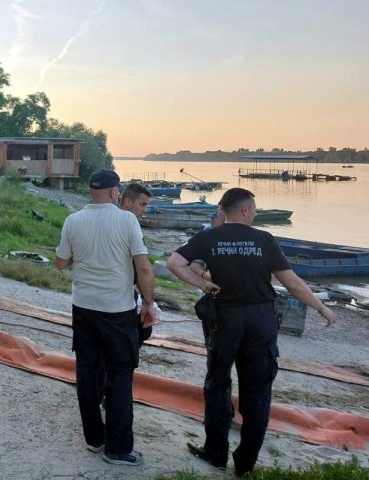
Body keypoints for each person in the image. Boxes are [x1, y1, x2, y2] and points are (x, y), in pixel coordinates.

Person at [166, 187, 336, 476]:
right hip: (260, 320)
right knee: (257, 391)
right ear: (245, 209)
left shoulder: (209, 237)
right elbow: (292, 282)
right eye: (254, 209)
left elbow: (174, 263)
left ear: (225, 210)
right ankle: (245, 465)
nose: (255, 213)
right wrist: (321, 307)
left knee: (218, 382)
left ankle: (216, 453)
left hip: (224, 318)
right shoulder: (264, 239)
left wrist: (203, 284)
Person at [53, 168, 155, 466]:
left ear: (91, 191)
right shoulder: (127, 220)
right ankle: (118, 449)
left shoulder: (73, 220)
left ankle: (94, 438)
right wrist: (148, 303)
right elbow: (143, 267)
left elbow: (60, 263)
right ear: (114, 192)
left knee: (87, 372)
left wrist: (82, 255)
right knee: (120, 375)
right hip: (117, 310)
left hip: (83, 307)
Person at [119, 182, 154, 346]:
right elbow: (143, 267)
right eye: (142, 205)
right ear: (128, 202)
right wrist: (148, 302)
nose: (144, 210)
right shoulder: (129, 226)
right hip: (121, 296)